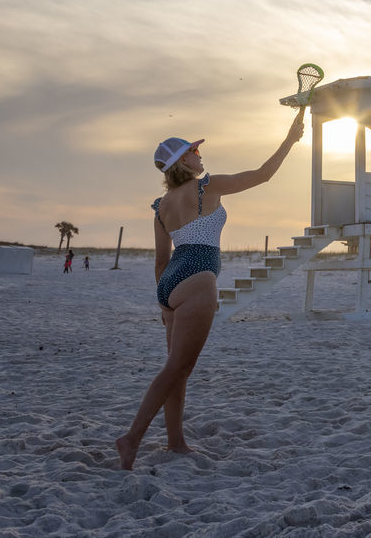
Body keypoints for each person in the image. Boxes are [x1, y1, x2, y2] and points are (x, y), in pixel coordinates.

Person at [116, 107, 305, 470]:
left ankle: (176, 442)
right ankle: (131, 438)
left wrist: (163, 305)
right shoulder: (207, 186)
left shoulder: (161, 206)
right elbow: (263, 175)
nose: (200, 154)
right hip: (198, 277)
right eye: (193, 151)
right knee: (177, 368)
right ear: (181, 161)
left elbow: (160, 260)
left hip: (170, 282)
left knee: (177, 367)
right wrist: (290, 140)